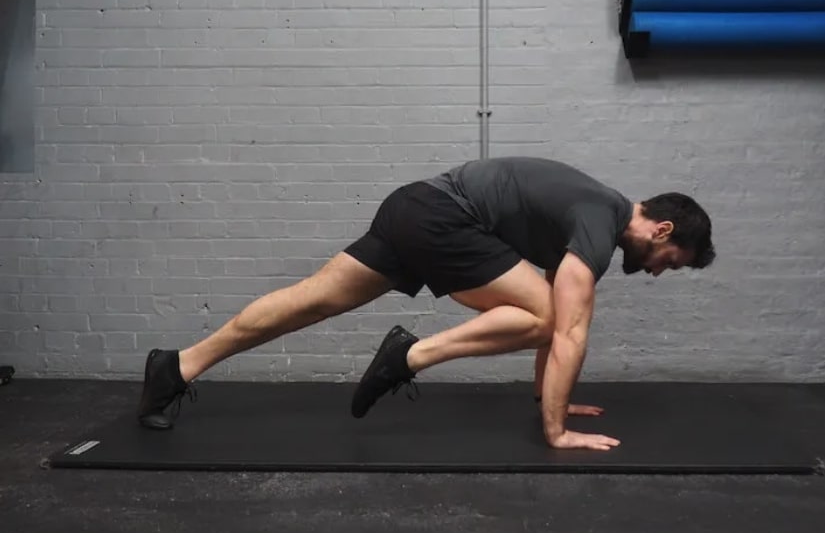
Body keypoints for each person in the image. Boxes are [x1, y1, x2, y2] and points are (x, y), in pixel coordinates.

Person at [137, 156, 715, 451]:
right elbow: (566, 331)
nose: (662, 272)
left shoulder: (591, 214)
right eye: (672, 261)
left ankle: (175, 366)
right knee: (548, 316)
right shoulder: (598, 221)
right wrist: (556, 431)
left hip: (414, 207)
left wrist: (548, 393)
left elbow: (556, 317)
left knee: (308, 302)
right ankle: (406, 357)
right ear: (662, 230)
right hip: (442, 218)